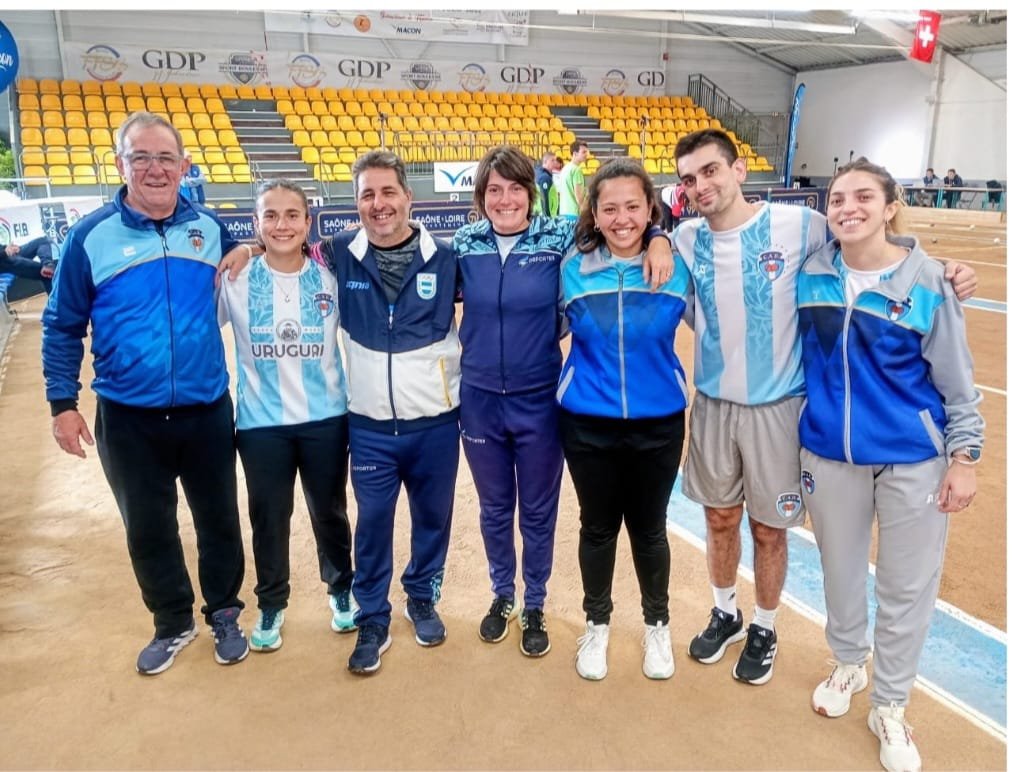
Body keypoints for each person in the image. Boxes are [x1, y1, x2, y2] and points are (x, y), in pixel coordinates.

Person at [672, 129, 977, 687]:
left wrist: (943, 270)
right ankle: (725, 612)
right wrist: (654, 240)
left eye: (711, 170)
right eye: (689, 178)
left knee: (770, 529)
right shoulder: (685, 238)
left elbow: (876, 254)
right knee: (719, 519)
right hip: (714, 405)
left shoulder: (803, 225)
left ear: (738, 170)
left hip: (779, 409)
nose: (701, 185)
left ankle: (765, 626)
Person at [41, 111, 249, 675]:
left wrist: (250, 248)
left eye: (165, 158)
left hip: (206, 409)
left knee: (219, 519)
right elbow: (61, 325)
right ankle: (172, 621)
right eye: (141, 157)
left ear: (184, 166)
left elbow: (252, 257)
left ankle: (225, 612)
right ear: (120, 164)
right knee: (148, 527)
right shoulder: (89, 237)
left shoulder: (210, 228)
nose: (154, 169)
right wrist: (62, 403)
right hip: (127, 416)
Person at [798, 158, 984, 772]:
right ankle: (849, 663)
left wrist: (964, 457)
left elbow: (958, 383)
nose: (847, 208)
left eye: (862, 197)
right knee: (840, 572)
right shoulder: (810, 273)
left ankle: (891, 705)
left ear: (890, 207)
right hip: (830, 454)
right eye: (837, 199)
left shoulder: (929, 281)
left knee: (907, 587)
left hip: (914, 461)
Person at [453, 145, 674, 659]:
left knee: (537, 510)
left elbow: (623, 228)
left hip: (539, 400)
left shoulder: (558, 239)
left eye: (515, 188)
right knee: (493, 508)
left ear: (531, 194)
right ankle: (502, 594)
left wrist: (659, 237)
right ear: (481, 196)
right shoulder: (463, 243)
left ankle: (535, 602)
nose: (505, 199)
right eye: (494, 190)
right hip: (479, 400)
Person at [314, 151, 461, 675]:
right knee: (372, 523)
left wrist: (656, 236)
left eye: (387, 192)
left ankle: (421, 595)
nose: (379, 204)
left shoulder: (449, 258)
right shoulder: (336, 252)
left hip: (436, 424)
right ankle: (373, 616)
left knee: (433, 519)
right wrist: (247, 248)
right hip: (371, 427)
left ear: (408, 197)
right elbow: (283, 245)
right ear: (356, 203)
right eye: (367, 195)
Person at [557, 159, 693, 682]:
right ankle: (597, 624)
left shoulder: (676, 267)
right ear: (594, 213)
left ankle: (657, 624)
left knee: (650, 529)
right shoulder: (570, 267)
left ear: (650, 208)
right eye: (609, 208)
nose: (622, 219)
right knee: (597, 527)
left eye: (633, 207)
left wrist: (662, 238)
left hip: (659, 423)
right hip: (586, 423)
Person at [216, 179, 356, 653]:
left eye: (292, 215)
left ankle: (341, 590)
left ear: (308, 222)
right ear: (255, 224)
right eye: (270, 215)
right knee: (269, 517)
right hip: (261, 425)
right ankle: (272, 602)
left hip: (326, 419)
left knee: (329, 512)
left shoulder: (329, 279)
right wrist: (247, 251)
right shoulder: (235, 279)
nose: (282, 224)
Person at [557, 140, 590, 220]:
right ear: (575, 154)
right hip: (574, 214)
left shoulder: (565, 168)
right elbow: (579, 198)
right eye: (583, 152)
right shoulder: (576, 170)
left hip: (563, 212)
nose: (586, 154)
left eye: (586, 152)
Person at [534, 151, 559, 217]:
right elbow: (545, 198)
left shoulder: (540, 173)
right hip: (547, 216)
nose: (555, 162)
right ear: (545, 161)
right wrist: (547, 217)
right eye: (552, 160)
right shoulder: (545, 178)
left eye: (555, 160)